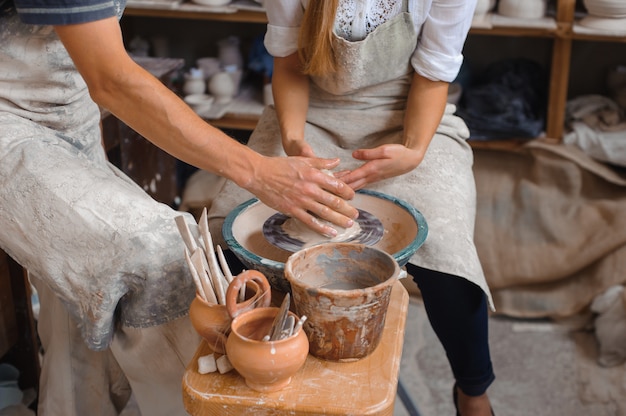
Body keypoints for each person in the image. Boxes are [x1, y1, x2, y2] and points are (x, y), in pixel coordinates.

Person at [0, 0, 359, 414]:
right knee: (158, 254)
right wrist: (260, 172)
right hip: (9, 116)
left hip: (67, 97)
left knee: (82, 291)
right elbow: (111, 78)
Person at [207, 1, 496, 415]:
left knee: (447, 251)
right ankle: (261, 372)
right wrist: (293, 145)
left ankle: (473, 390)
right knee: (230, 236)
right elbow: (287, 64)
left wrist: (414, 153)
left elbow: (434, 76)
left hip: (406, 119)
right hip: (310, 117)